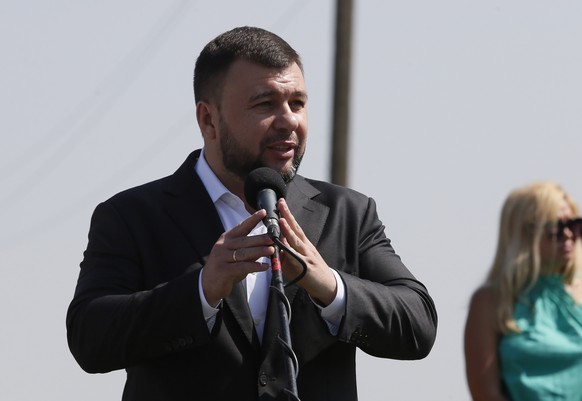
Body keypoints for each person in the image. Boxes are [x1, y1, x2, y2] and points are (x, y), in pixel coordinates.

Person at [66, 26, 438, 401]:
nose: (289, 120)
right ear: (208, 120)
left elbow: (418, 323)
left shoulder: (348, 212)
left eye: (298, 103)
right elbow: (89, 337)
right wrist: (201, 291)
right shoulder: (133, 216)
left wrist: (327, 284)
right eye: (265, 104)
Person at [464, 181, 582, 401]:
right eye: (555, 227)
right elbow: (486, 395)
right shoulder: (490, 302)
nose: (568, 235)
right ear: (524, 233)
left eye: (574, 225)